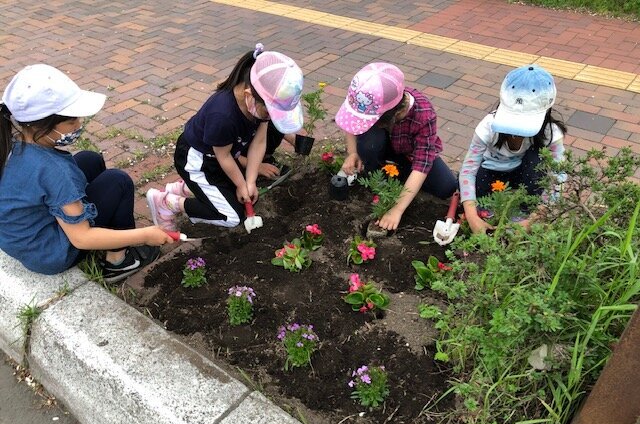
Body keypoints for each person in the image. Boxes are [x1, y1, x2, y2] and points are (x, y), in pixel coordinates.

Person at [0, 64, 172, 282]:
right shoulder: (54, 171)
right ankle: (118, 261)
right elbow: (81, 238)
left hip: (25, 239)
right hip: (50, 253)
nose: (79, 124)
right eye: (72, 120)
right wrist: (146, 235)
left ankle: (105, 234)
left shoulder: (10, 142)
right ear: (41, 124)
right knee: (118, 181)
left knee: (89, 160)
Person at [146, 43, 304, 231]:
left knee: (238, 194)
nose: (269, 117)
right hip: (198, 160)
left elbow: (259, 142)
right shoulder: (222, 116)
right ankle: (167, 203)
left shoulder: (257, 105)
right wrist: (241, 183)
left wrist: (250, 181)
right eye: (268, 112)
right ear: (249, 95)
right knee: (231, 216)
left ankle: (184, 188)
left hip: (219, 158)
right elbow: (224, 156)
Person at [336, 62, 458, 231]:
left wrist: (397, 210)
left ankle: (401, 174)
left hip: (410, 152)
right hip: (381, 144)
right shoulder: (367, 95)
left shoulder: (424, 114)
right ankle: (376, 176)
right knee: (369, 145)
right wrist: (352, 152)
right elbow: (352, 121)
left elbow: (422, 164)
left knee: (446, 187)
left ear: (395, 114)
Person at [459, 64, 567, 234]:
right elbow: (468, 171)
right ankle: (489, 208)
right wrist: (471, 216)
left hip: (526, 175)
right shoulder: (488, 126)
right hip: (493, 173)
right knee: (473, 181)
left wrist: (534, 219)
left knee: (537, 159)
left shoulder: (550, 133)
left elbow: (558, 177)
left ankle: (525, 210)